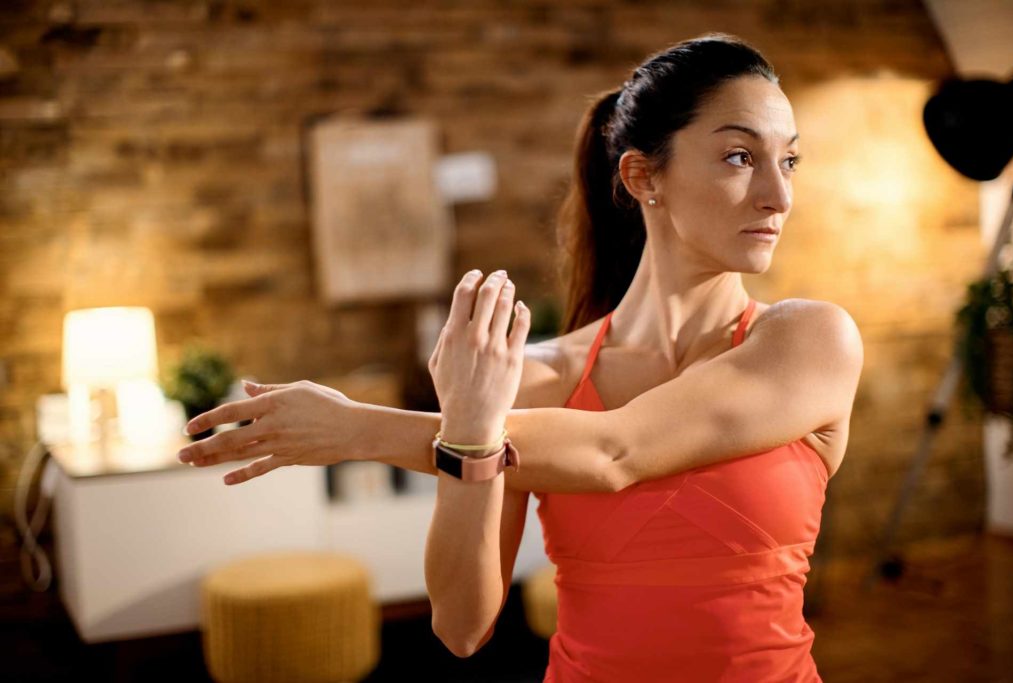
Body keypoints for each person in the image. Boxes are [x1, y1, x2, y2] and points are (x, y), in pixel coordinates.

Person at [177, 32, 863, 682]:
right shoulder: (536, 380)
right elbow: (461, 623)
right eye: (741, 157)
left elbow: (615, 451)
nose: (780, 194)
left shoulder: (810, 341)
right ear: (642, 175)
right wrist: (467, 425)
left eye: (790, 159)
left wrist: (371, 428)